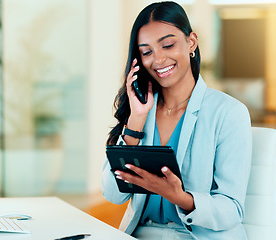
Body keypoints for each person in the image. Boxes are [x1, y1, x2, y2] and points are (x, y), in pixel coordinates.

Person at [101, 2, 252, 240]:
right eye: (147, 51)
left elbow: (231, 210)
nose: (158, 59)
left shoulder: (229, 113)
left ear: (191, 42)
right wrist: (135, 122)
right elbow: (112, 195)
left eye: (168, 45)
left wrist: (179, 197)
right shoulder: (141, 112)